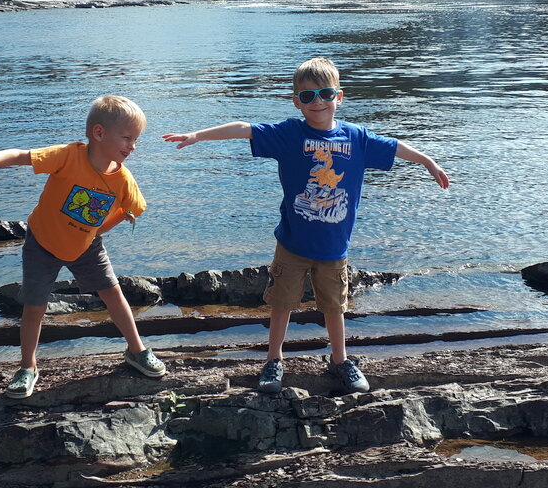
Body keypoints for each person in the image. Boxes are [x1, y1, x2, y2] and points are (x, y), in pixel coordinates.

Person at [163, 57, 449, 395]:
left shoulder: (357, 138)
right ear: (296, 101)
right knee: (282, 302)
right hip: (293, 244)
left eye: (325, 94)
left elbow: (395, 146)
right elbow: (245, 128)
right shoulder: (289, 134)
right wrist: (197, 135)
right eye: (308, 96)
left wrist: (428, 162)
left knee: (334, 305)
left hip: (334, 247)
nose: (318, 103)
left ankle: (340, 360)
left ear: (339, 97)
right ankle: (274, 359)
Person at [0, 95, 166, 399]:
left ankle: (137, 350)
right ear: (99, 133)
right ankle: (28, 367)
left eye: (136, 140)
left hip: (87, 247)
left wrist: (99, 228)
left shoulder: (123, 179)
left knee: (113, 294)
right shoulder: (68, 156)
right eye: (128, 138)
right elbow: (20, 155)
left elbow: (135, 209)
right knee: (35, 305)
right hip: (42, 243)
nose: (133, 146)